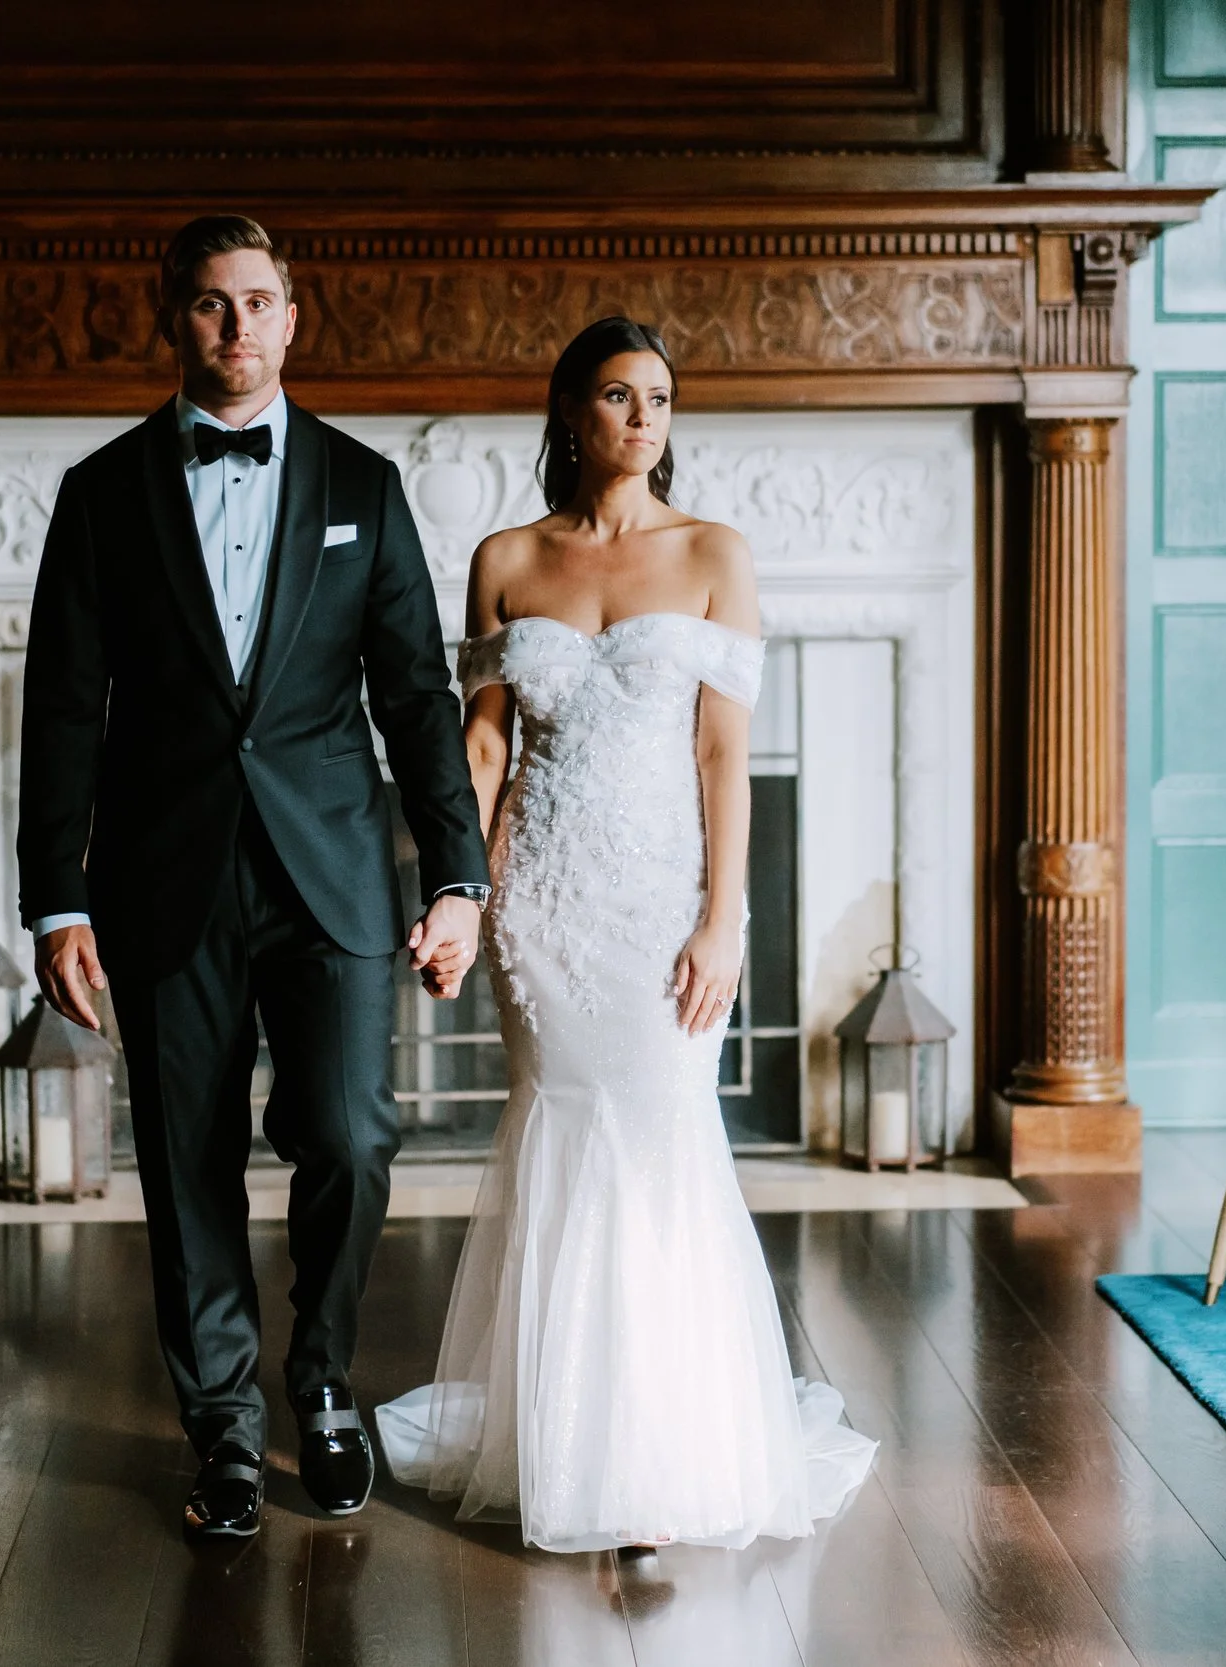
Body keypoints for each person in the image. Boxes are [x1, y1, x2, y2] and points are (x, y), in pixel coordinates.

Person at [17, 214, 490, 1540]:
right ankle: (224, 1424)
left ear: (295, 317)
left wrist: (456, 873)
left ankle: (324, 1375)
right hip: (160, 880)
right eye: (213, 305)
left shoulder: (360, 483)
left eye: (260, 302)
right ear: (178, 317)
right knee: (187, 1161)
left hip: (332, 872)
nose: (238, 327)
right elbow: (63, 706)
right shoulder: (105, 494)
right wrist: (58, 896)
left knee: (349, 1131)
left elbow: (416, 691)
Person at [376, 317, 877, 1551]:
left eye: (659, 398)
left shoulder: (715, 552)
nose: (644, 418)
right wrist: (459, 896)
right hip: (538, 905)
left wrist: (725, 916)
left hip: (661, 908)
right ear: (570, 414)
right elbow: (483, 747)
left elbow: (723, 751)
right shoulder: (504, 557)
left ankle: (669, 1449)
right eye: (617, 395)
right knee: (559, 1141)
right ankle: (566, 1440)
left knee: (660, 1142)